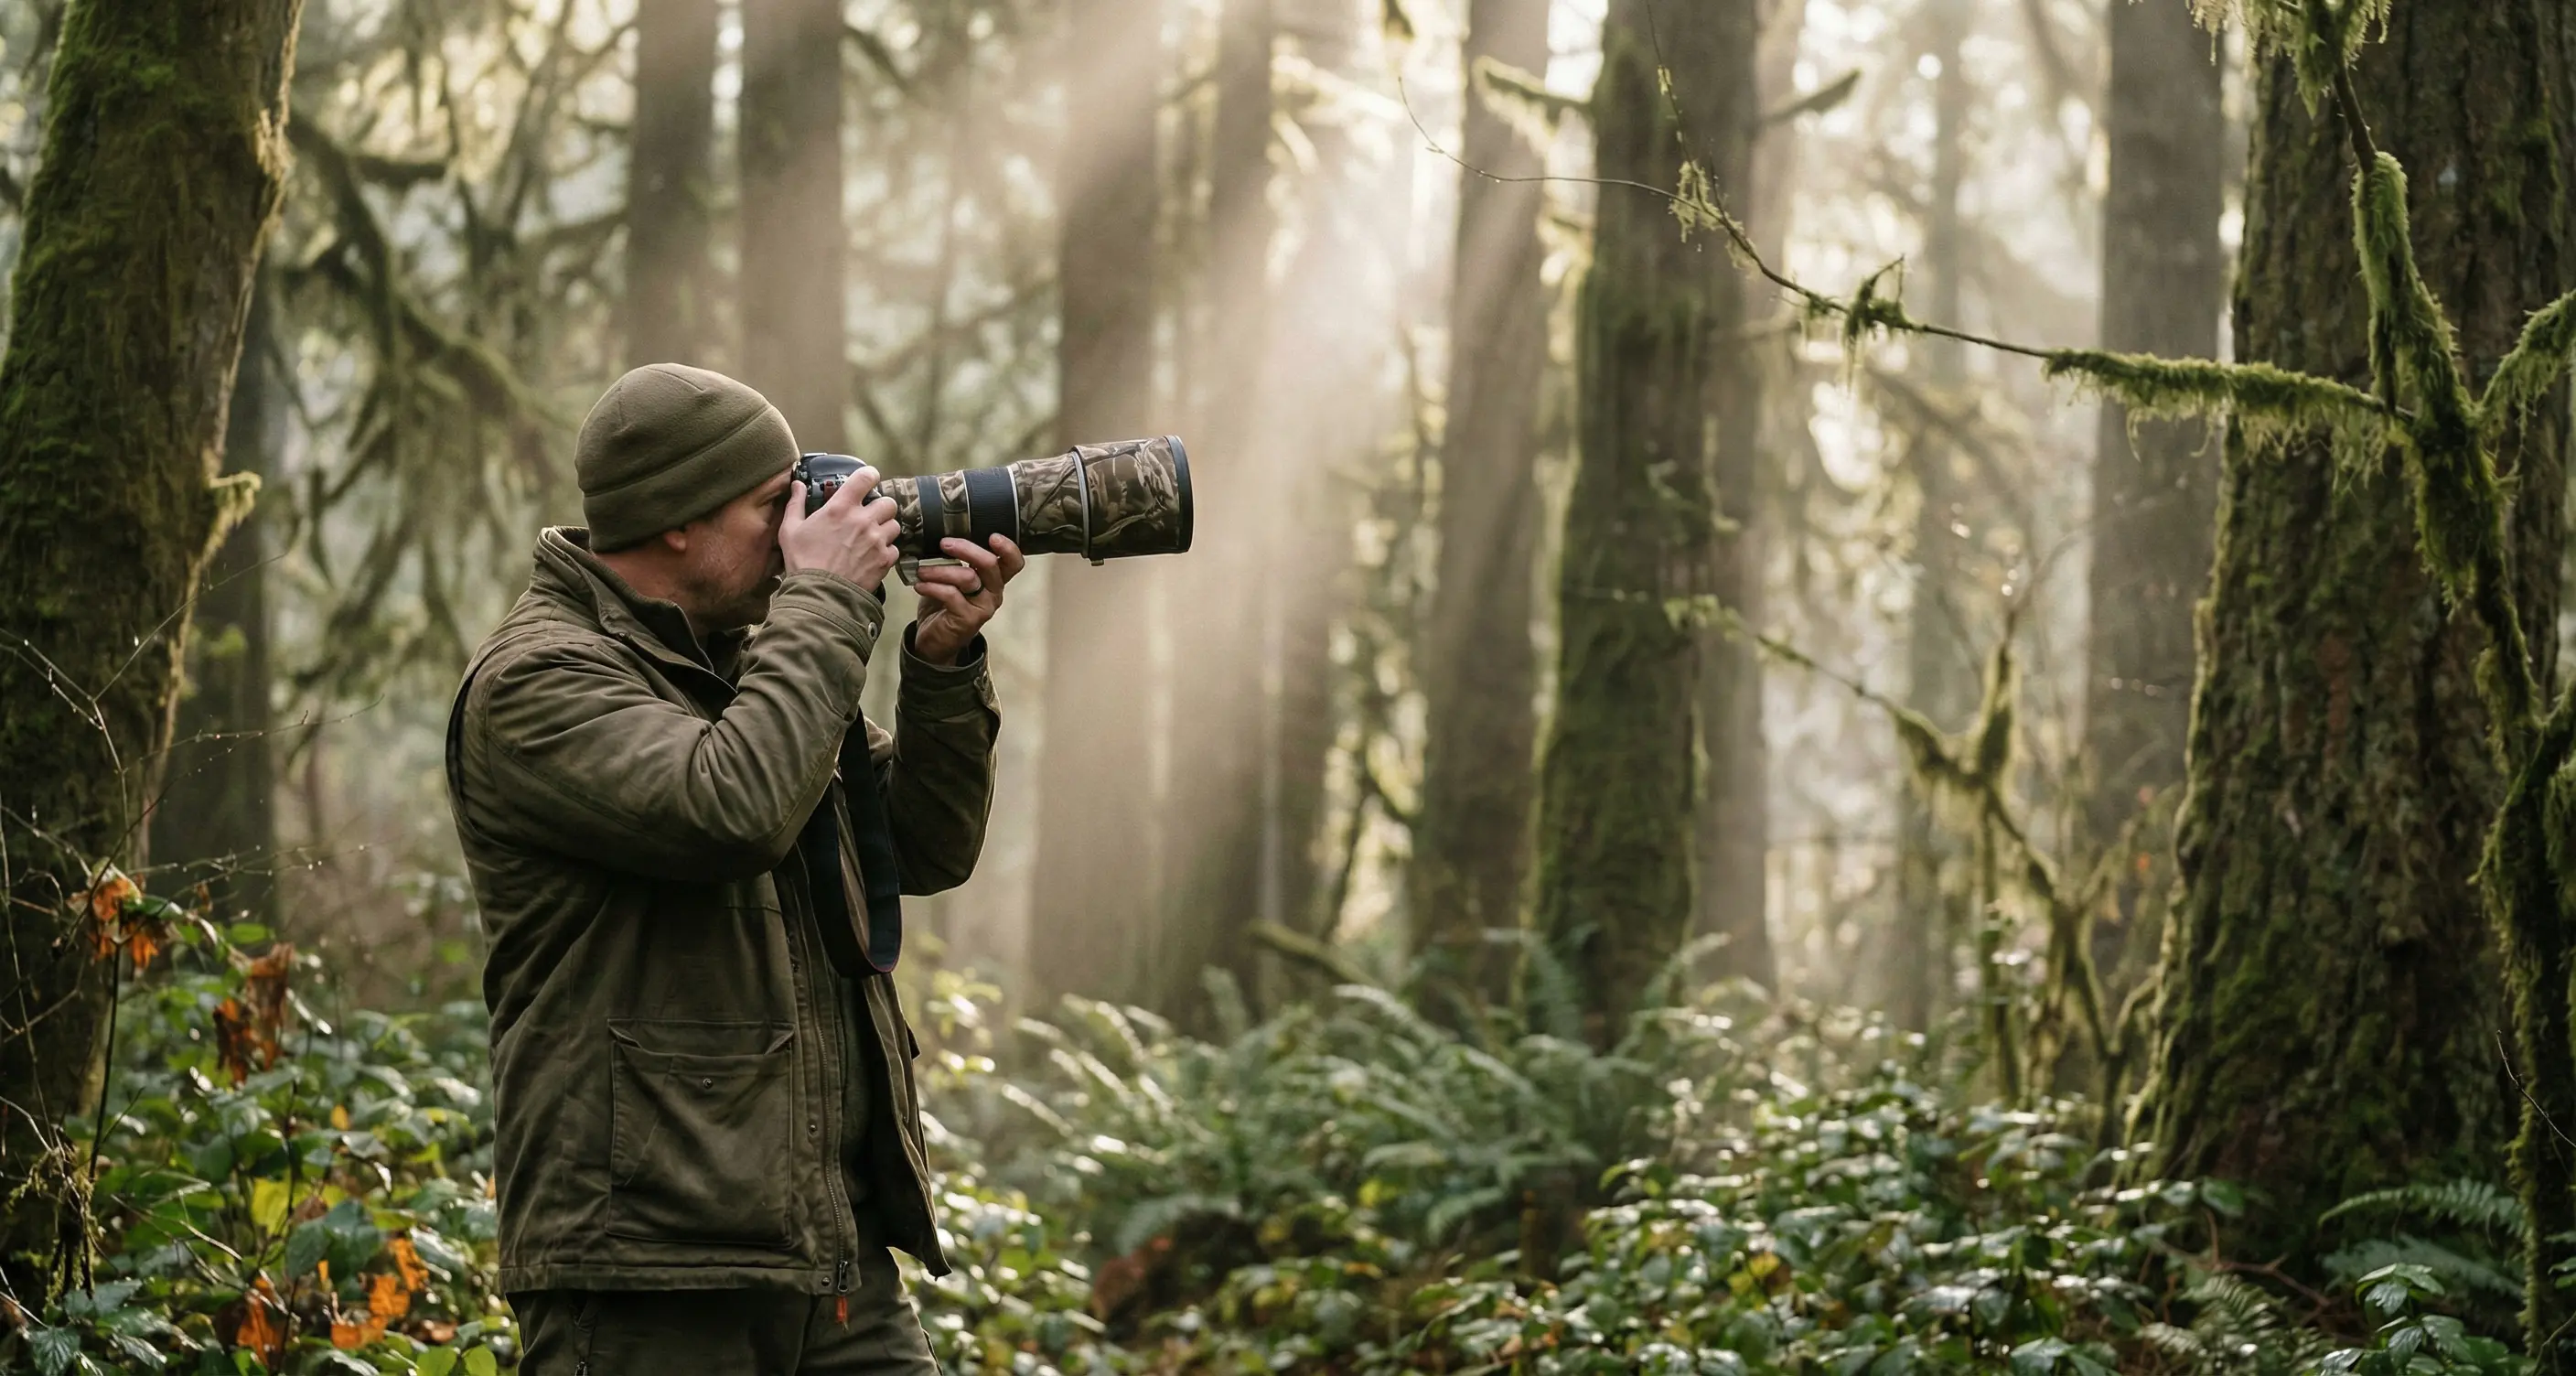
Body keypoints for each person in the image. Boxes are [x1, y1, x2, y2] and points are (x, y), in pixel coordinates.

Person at [443, 363, 1021, 1374]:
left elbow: (921, 846)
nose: (802, 525)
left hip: (825, 1254)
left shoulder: (742, 662)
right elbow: (730, 809)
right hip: (647, 1275)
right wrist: (823, 602)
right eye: (772, 505)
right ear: (675, 520)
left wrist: (940, 664)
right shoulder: (536, 680)